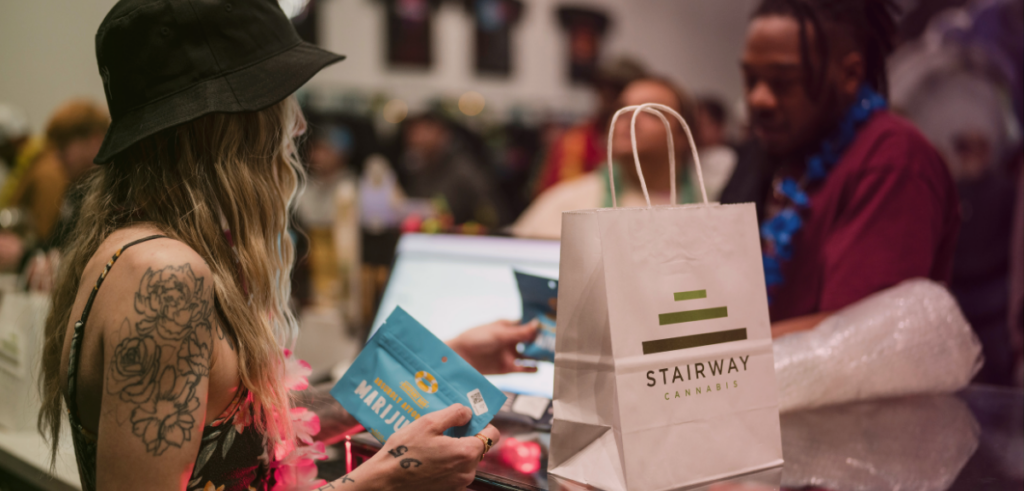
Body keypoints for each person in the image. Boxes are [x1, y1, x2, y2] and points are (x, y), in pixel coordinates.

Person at [38, 2, 535, 490]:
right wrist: (382, 479)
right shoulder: (164, 276)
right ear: (229, 125)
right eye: (282, 101)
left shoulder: (150, 252)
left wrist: (437, 362)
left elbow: (246, 431)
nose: (296, 125)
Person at [725, 0, 960, 336]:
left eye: (783, 81)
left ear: (850, 73)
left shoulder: (892, 157)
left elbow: (859, 333)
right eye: (750, 79)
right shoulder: (783, 151)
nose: (758, 98)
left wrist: (718, 347)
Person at [511, 76, 697, 240]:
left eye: (651, 112)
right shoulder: (568, 205)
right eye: (621, 109)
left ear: (683, 135)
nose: (630, 118)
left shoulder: (706, 207)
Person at [531, 57, 647, 195]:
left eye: (618, 88)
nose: (608, 94)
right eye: (603, 87)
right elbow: (547, 196)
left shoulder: (648, 141)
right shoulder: (573, 140)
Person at [399, 114, 503, 228]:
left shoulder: (463, 169)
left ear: (441, 133)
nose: (415, 139)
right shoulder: (417, 168)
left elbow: (490, 214)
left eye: (420, 132)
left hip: (463, 239)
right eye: (411, 133)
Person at [692, 96, 738, 201]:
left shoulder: (727, 157)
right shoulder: (690, 157)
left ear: (718, 126)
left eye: (700, 124)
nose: (694, 130)